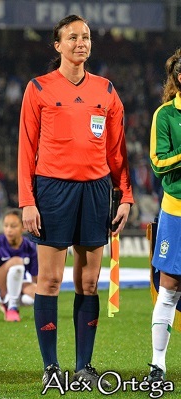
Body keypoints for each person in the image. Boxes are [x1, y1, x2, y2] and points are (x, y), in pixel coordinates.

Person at [18, 15, 133, 390]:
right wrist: (27, 201)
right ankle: (51, 365)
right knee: (49, 281)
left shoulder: (106, 91)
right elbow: (26, 150)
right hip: (52, 190)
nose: (80, 43)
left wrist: (125, 195)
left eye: (85, 37)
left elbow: (117, 152)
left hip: (97, 191)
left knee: (88, 282)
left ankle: (84, 365)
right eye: (72, 37)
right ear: (58, 45)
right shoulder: (39, 89)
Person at [147, 47, 181, 384]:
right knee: (169, 287)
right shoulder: (167, 115)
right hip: (177, 212)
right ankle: (158, 365)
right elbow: (158, 163)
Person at [0, 209, 38, 322]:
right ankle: (12, 307)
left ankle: (8, 303)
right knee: (17, 261)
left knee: (38, 293)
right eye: (6, 226)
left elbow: (35, 278)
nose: (9, 230)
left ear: (23, 228)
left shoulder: (30, 247)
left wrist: (32, 290)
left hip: (14, 285)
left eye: (13, 226)